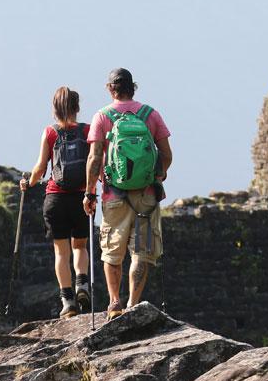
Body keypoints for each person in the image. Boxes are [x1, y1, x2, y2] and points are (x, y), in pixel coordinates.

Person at [83, 68, 172, 319]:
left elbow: (94, 158)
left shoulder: (102, 117)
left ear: (111, 89)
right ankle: (133, 303)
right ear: (133, 87)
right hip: (146, 195)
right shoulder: (150, 115)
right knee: (141, 250)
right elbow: (167, 155)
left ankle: (114, 303)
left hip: (114, 193)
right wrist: (157, 176)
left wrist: (89, 193)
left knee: (112, 250)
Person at [20, 86, 91, 318]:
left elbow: (41, 167)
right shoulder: (88, 131)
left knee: (61, 252)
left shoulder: (50, 133)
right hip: (81, 198)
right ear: (77, 108)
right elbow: (95, 162)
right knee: (79, 246)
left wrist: (28, 183)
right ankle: (83, 285)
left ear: (55, 109)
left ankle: (68, 301)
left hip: (55, 198)